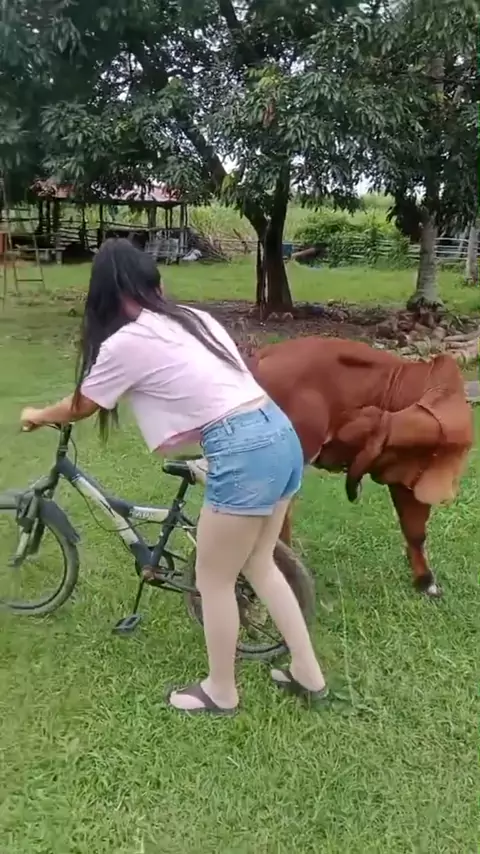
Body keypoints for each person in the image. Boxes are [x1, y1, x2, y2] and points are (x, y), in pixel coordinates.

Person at [20, 238, 328, 716]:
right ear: (153, 283)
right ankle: (308, 673)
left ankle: (221, 692)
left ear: (106, 294)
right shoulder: (192, 318)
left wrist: (39, 414)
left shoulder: (129, 340)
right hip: (278, 432)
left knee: (214, 578)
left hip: (243, 446)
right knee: (260, 564)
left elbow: (82, 405)